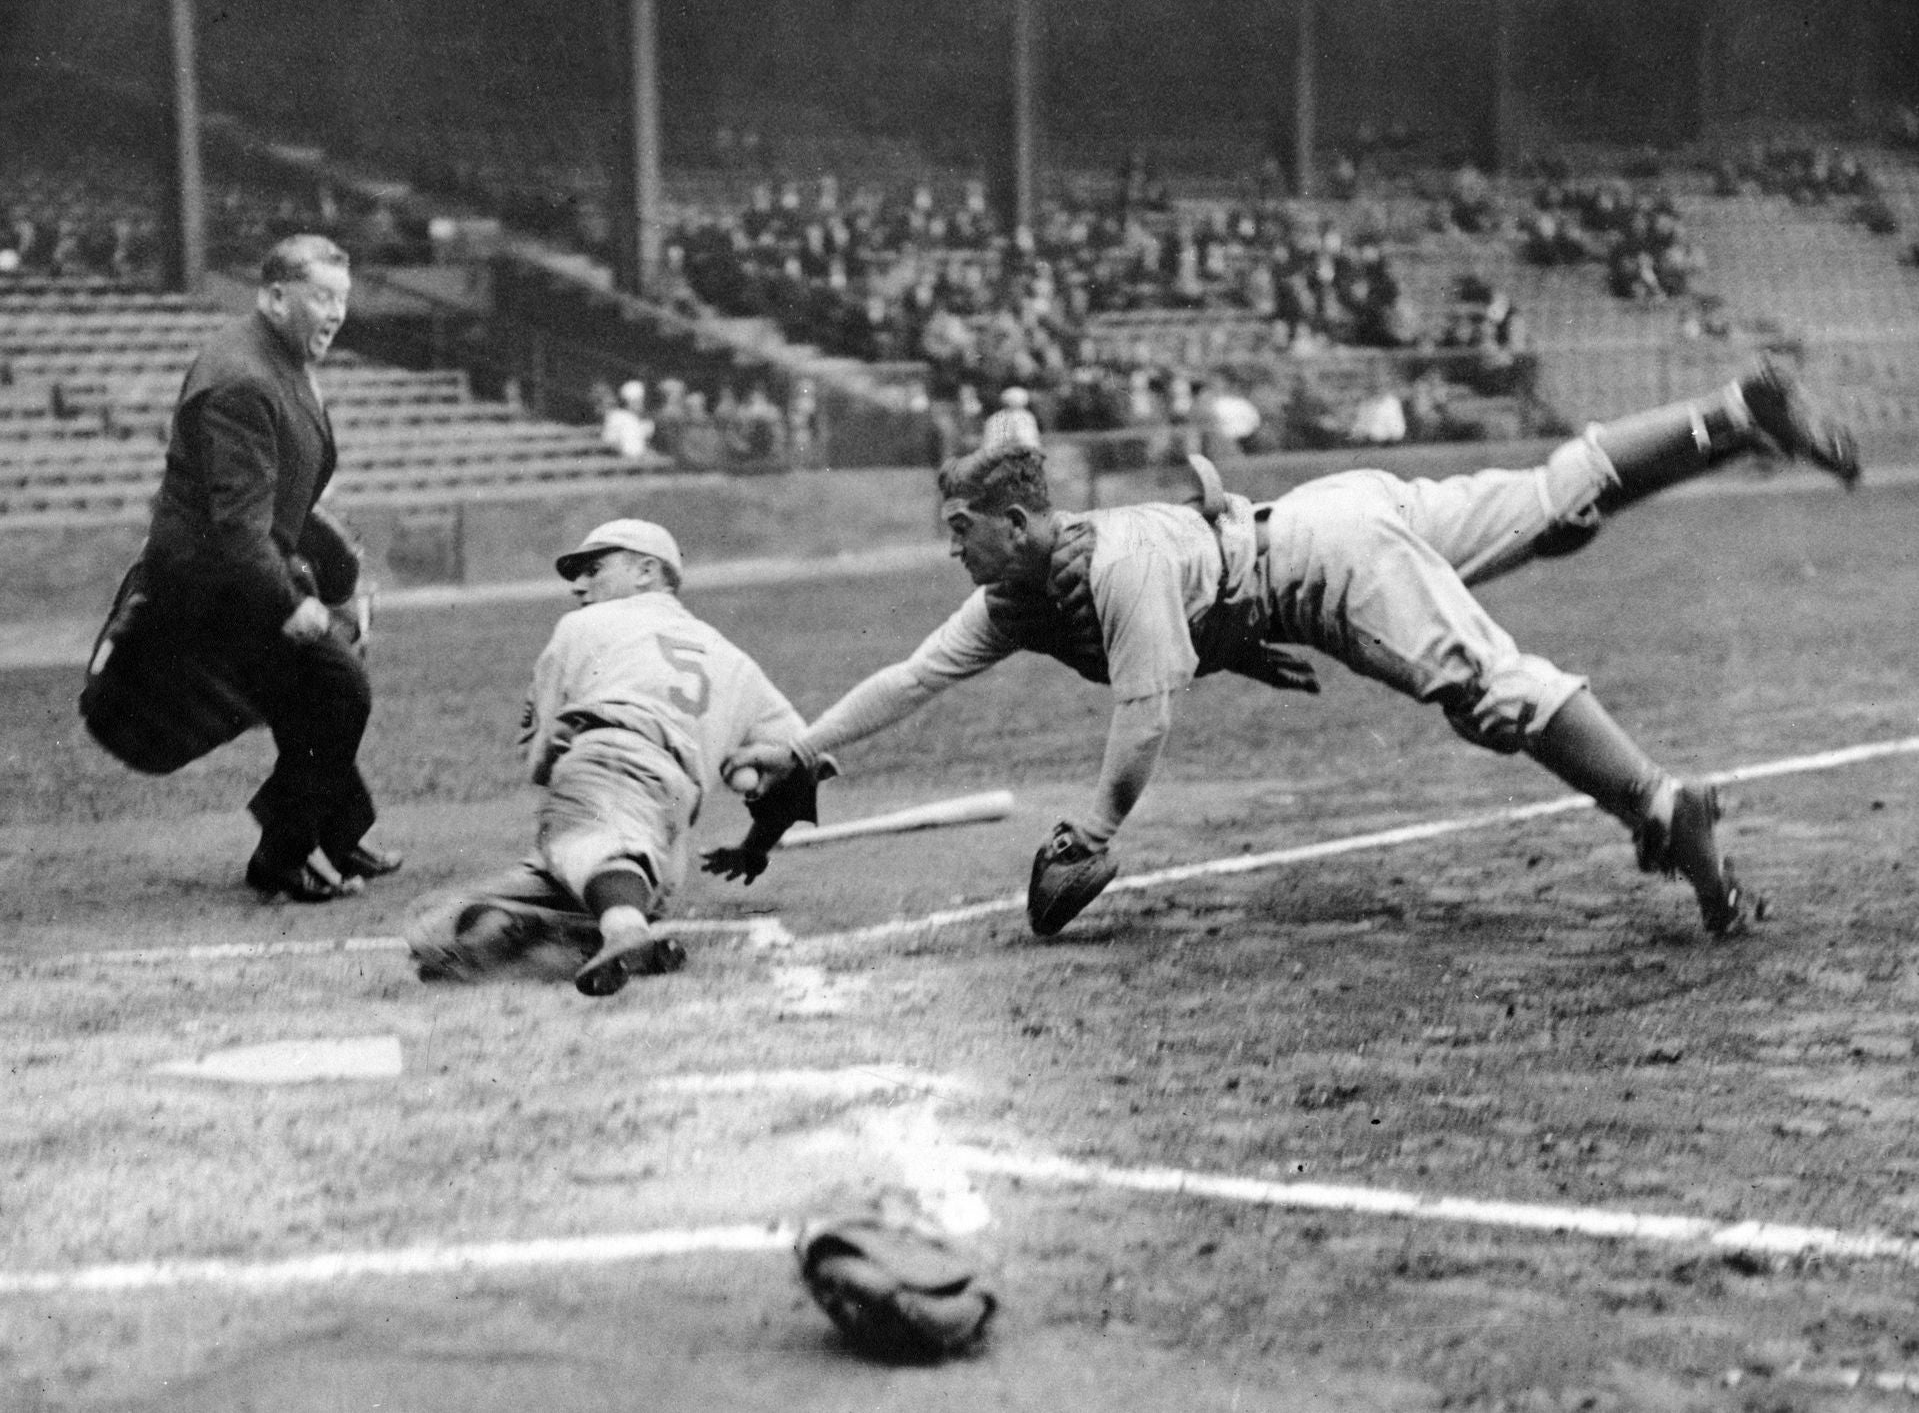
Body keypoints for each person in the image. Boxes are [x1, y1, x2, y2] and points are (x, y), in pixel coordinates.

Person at [732, 362, 1862, 939]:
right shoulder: (1023, 589)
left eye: (960, 534)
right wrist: (802, 750)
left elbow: (1145, 715)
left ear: (1017, 527)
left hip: (1317, 569)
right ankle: (1730, 410)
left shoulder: (1104, 567)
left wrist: (1096, 829)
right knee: (1550, 501)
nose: (951, 554)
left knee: (1483, 690)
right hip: (1318, 518)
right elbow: (905, 679)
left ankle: (1660, 804)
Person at [81, 234, 397, 903]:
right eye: (321, 297)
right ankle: (282, 857)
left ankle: (337, 837)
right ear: (275, 296)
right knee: (338, 691)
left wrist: (330, 579)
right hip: (212, 586)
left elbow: (288, 499)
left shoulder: (278, 359)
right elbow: (237, 528)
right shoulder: (243, 380)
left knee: (312, 693)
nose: (336, 313)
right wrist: (292, 602)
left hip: (238, 568)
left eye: (342, 299)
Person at [404, 519, 830, 996]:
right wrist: (756, 845)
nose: (579, 585)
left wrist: (566, 772)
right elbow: (802, 762)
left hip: (606, 774)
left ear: (647, 571)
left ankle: (622, 927)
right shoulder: (732, 659)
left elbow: (541, 762)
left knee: (594, 845)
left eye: (594, 568)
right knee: (438, 926)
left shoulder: (584, 625)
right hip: (664, 841)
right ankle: (607, 934)